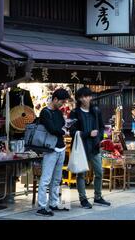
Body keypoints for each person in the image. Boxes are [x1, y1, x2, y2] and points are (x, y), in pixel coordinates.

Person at [70, 87, 111, 209]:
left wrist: (99, 137)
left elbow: (102, 127)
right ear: (78, 99)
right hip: (81, 147)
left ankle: (98, 197)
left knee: (99, 172)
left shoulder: (96, 111)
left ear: (91, 97)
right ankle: (83, 199)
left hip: (94, 146)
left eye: (86, 96)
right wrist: (88, 134)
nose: (84, 99)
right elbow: (71, 131)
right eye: (81, 97)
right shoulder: (75, 113)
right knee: (81, 174)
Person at [36, 88, 71, 217]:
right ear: (55, 99)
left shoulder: (58, 112)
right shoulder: (45, 112)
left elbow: (61, 125)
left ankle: (53, 203)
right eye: (62, 102)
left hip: (61, 147)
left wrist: (62, 129)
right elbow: (52, 129)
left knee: (56, 179)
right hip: (50, 149)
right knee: (46, 179)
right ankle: (41, 206)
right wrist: (62, 131)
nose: (63, 105)